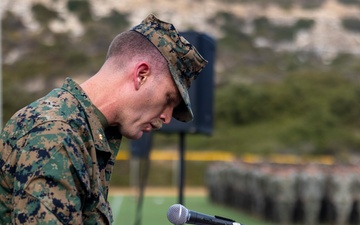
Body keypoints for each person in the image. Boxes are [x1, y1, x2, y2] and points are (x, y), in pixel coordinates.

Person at [0, 14, 207, 224]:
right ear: (141, 75)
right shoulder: (57, 134)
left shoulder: (81, 129)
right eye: (168, 99)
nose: (167, 117)